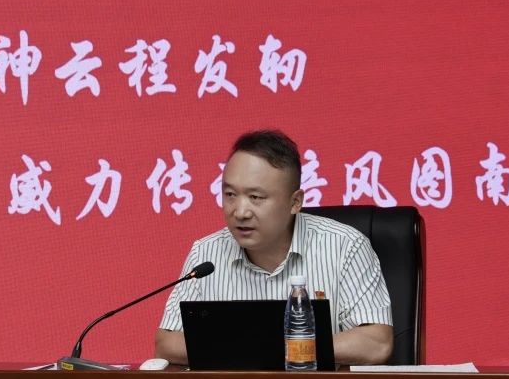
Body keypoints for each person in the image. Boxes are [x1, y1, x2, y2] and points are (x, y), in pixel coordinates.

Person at [154, 129, 393, 365]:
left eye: (256, 197)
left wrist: (273, 346)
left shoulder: (345, 246)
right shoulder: (205, 253)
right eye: (230, 194)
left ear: (295, 202)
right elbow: (166, 343)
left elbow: (376, 343)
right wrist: (259, 346)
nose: (240, 212)